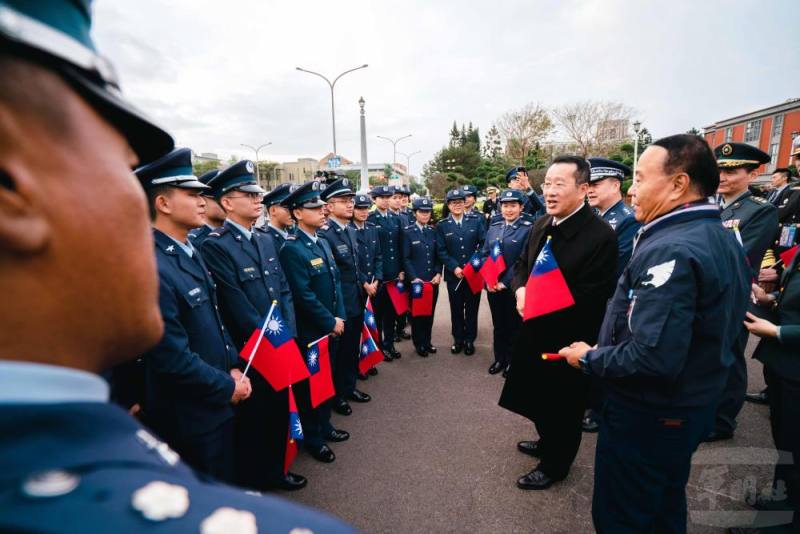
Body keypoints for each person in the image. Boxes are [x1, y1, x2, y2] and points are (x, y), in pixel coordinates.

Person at [0, 1, 353, 531]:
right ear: (11, 186)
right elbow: (180, 343)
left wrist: (233, 363)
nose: (135, 199)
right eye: (123, 166)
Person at [559, 134, 750, 533]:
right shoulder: (717, 233)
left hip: (650, 414)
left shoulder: (673, 247)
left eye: (642, 178)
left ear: (679, 184)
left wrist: (589, 358)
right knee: (662, 508)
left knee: (624, 517)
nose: (632, 188)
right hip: (688, 405)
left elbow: (651, 357)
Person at [499, 156, 617, 491]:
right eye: (547, 183)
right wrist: (521, 289)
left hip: (569, 336)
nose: (549, 191)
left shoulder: (600, 236)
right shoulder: (541, 223)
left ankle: (555, 464)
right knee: (536, 396)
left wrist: (541, 301)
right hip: (533, 327)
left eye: (559, 184)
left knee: (563, 406)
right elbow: (522, 264)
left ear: (582, 189)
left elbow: (593, 295)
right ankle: (545, 440)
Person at [135, 148, 247, 484]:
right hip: (189, 412)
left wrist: (232, 363)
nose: (203, 200)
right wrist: (225, 384)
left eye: (203, 194)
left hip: (216, 397)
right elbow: (171, 357)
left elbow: (215, 316)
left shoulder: (189, 249)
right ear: (163, 204)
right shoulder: (152, 264)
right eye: (192, 194)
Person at [199, 162, 308, 491]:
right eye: (248, 194)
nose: (258, 199)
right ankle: (254, 480)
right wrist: (268, 339)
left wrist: (285, 331)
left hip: (277, 341)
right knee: (254, 418)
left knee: (277, 411)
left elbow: (284, 289)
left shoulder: (264, 239)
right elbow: (236, 304)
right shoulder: (216, 246)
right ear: (228, 203)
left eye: (258, 193)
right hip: (251, 349)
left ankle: (276, 471)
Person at [704, 142, 777, 443]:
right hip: (705, 291)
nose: (723, 176)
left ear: (751, 173)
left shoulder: (760, 211)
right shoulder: (709, 206)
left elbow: (741, 254)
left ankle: (722, 421)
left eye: (732, 170)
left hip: (731, 294)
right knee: (707, 354)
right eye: (719, 169)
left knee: (729, 356)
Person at [279, 181, 350, 464]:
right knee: (310, 387)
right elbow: (303, 295)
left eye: (322, 206)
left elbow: (335, 284)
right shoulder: (292, 249)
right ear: (297, 213)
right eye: (315, 207)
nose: (323, 211)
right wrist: (329, 321)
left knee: (326, 380)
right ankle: (314, 437)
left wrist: (340, 316)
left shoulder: (320, 241)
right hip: (312, 332)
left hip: (331, 326)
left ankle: (325, 425)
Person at [731, 250, 800, 533]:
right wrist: (770, 299)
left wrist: (777, 332)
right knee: (787, 444)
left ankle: (783, 525)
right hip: (784, 365)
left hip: (793, 360)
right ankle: (782, 502)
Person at [582, 157, 641, 432]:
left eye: (596, 183)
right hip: (592, 297)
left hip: (610, 299)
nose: (590, 189)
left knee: (606, 350)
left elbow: (615, 266)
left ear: (616, 184)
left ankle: (599, 409)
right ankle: (591, 400)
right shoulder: (595, 216)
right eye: (588, 184)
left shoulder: (627, 220)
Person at [319, 178, 372, 416]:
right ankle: (336, 396)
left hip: (356, 299)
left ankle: (349, 387)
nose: (350, 205)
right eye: (343, 201)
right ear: (328, 206)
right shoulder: (326, 234)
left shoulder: (349, 230)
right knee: (338, 354)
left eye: (351, 200)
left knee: (351, 348)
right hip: (339, 304)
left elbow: (354, 266)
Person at [481, 189, 533, 376]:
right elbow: (486, 254)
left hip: (513, 287)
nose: (508, 210)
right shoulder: (494, 227)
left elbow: (523, 260)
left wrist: (504, 282)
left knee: (514, 326)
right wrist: (489, 279)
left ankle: (512, 360)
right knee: (498, 324)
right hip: (493, 287)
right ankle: (499, 359)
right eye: (505, 206)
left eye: (513, 206)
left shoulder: (528, 229)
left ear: (521, 207)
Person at [436, 188, 486, 355]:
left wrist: (472, 266)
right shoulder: (442, 225)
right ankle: (458, 339)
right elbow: (441, 250)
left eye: (460, 202)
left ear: (465, 203)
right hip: (454, 275)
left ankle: (470, 340)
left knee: (472, 308)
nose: (457, 205)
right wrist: (454, 267)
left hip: (474, 274)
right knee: (456, 309)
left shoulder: (476, 221)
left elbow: (483, 245)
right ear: (448, 205)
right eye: (453, 203)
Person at [402, 197, 442, 357]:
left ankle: (427, 341)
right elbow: (406, 258)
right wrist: (413, 278)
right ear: (415, 213)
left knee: (430, 313)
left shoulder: (433, 232)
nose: (425, 215)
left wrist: (439, 273)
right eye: (422, 212)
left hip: (432, 281)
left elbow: (438, 255)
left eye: (427, 212)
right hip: (417, 282)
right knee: (417, 315)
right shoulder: (407, 232)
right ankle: (419, 344)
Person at [368, 185, 405, 360]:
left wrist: (401, 270)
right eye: (380, 197)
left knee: (391, 313)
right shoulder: (370, 219)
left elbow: (399, 247)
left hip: (393, 274)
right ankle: (378, 347)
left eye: (387, 197)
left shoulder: (396, 219)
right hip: (378, 276)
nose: (384, 200)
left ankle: (389, 344)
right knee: (377, 315)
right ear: (374, 200)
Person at [351, 193, 383, 379]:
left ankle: (369, 358)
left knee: (373, 323)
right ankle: (358, 363)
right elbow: (351, 264)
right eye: (359, 208)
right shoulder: (349, 230)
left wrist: (377, 279)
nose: (363, 212)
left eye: (366, 208)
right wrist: (365, 283)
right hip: (359, 286)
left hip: (374, 285)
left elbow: (378, 256)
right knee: (357, 328)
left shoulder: (371, 229)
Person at [187, 169, 223, 246]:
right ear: (201, 199)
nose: (226, 203)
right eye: (219, 197)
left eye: (230, 197)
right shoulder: (196, 242)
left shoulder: (234, 234)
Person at [258, 182, 295, 248]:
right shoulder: (263, 239)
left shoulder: (293, 232)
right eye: (288, 208)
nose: (293, 213)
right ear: (273, 211)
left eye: (294, 208)